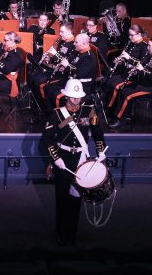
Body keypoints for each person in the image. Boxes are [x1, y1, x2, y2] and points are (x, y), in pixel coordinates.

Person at [41, 78, 107, 246]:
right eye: (73, 96)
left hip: (81, 159)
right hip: (63, 158)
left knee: (76, 198)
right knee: (62, 197)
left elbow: (98, 133)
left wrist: (100, 151)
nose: (76, 99)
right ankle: (60, 231)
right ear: (66, 96)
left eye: (78, 96)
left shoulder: (89, 111)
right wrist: (56, 159)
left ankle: (72, 232)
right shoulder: (56, 114)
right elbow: (47, 140)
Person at [108, 35, 152, 128]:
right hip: (147, 83)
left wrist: (141, 70)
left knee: (128, 96)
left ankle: (120, 120)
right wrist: (135, 69)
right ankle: (125, 116)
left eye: (150, 46)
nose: (148, 47)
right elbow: (143, 64)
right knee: (124, 90)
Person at [29, 23, 76, 112]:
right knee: (33, 76)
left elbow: (66, 60)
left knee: (39, 81)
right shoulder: (63, 41)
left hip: (62, 73)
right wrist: (49, 58)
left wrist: (55, 55)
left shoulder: (73, 44)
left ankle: (43, 108)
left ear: (69, 32)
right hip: (56, 69)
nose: (60, 34)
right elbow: (58, 57)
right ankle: (37, 104)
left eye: (62, 32)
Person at [43, 33, 97, 110]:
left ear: (84, 43)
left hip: (81, 86)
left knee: (55, 94)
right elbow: (69, 62)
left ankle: (61, 116)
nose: (74, 44)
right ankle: (51, 115)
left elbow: (79, 74)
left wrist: (67, 66)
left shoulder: (89, 57)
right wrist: (63, 66)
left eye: (76, 42)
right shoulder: (78, 52)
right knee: (48, 88)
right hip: (71, 80)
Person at [104, 25, 149, 112]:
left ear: (139, 34)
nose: (130, 37)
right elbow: (125, 61)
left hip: (135, 76)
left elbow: (142, 64)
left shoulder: (144, 46)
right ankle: (108, 107)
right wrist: (121, 61)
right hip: (125, 72)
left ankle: (112, 111)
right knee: (109, 81)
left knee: (116, 86)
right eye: (129, 34)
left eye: (132, 35)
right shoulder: (131, 43)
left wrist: (129, 58)